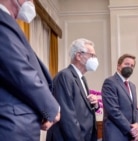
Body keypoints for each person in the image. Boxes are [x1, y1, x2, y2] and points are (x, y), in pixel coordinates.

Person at [0, 0, 60, 140]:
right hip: (11, 126)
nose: (32, 2)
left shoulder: (8, 22)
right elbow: (19, 69)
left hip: (20, 125)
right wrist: (51, 107)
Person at [46, 38, 100, 141]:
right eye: (92, 55)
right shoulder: (64, 76)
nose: (94, 59)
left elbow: (80, 108)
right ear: (79, 56)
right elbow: (67, 117)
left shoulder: (81, 78)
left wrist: (94, 104)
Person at [101, 53, 138, 141]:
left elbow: (135, 109)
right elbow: (113, 110)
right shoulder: (110, 82)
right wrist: (130, 129)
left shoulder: (132, 86)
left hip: (130, 135)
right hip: (115, 133)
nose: (129, 67)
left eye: (132, 65)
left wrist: (137, 125)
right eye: (126, 64)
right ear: (118, 66)